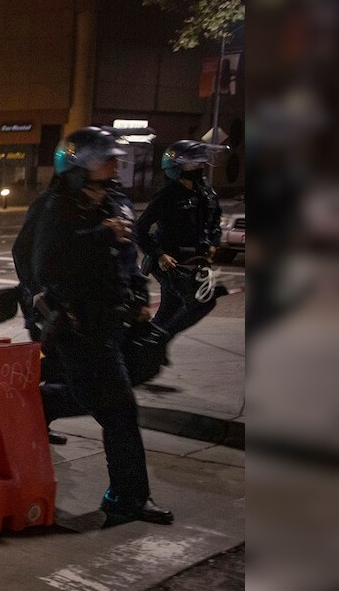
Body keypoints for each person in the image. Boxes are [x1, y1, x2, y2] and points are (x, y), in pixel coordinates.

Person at [32, 127, 172, 528]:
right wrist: (98, 235)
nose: (115, 165)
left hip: (117, 321)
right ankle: (126, 498)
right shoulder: (57, 208)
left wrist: (141, 299)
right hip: (81, 326)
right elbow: (45, 265)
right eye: (105, 159)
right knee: (121, 411)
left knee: (128, 380)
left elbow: (127, 257)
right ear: (79, 163)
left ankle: (46, 403)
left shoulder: (116, 201)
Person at [135, 140, 226, 340]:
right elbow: (139, 229)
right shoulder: (167, 194)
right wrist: (159, 255)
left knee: (186, 305)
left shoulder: (204, 192)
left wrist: (213, 242)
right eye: (194, 164)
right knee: (190, 302)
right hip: (171, 263)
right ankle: (154, 341)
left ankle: (153, 340)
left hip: (194, 262)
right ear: (178, 168)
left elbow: (214, 220)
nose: (200, 167)